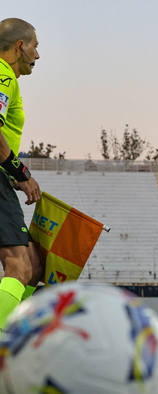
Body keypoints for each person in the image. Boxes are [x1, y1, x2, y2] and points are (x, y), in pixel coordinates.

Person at [0, 18, 43, 333]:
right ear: (19, 46)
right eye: (34, 47)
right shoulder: (3, 76)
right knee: (19, 264)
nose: (37, 55)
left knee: (34, 264)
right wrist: (22, 172)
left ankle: (15, 334)